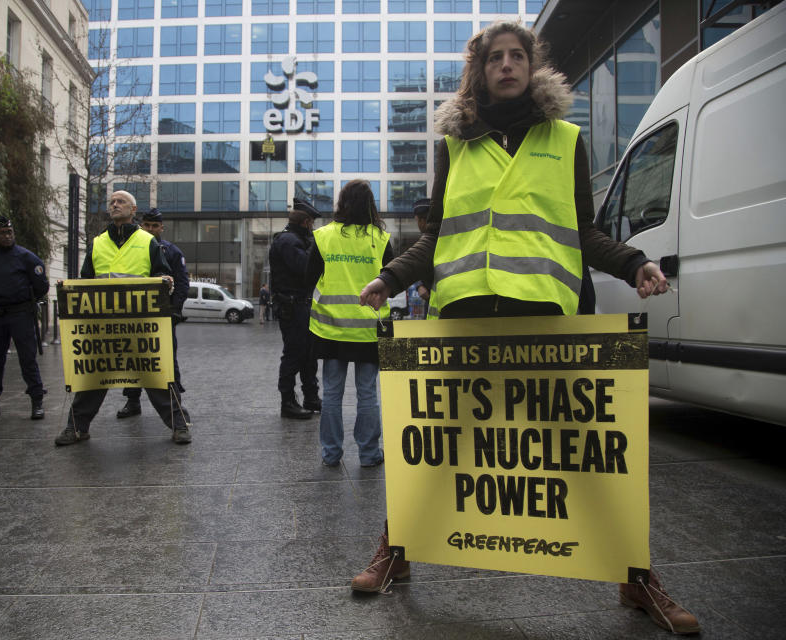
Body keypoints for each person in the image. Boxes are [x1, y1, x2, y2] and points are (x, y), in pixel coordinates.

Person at [353, 22, 700, 635]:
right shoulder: (453, 146)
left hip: (546, 317)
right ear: (479, 70)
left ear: (532, 66)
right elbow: (438, 237)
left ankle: (635, 576)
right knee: (437, 449)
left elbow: (582, 231)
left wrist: (633, 261)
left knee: (590, 453)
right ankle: (396, 551)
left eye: (517, 56)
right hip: (462, 316)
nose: (507, 65)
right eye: (495, 58)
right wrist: (394, 277)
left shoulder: (565, 138)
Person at [54, 191, 188, 446]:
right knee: (92, 377)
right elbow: (86, 280)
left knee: (157, 374)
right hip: (103, 325)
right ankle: (76, 427)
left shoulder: (148, 241)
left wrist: (166, 282)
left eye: (121, 202)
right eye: (112, 202)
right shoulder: (97, 243)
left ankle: (179, 424)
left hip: (141, 325)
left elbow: (162, 274)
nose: (115, 205)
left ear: (133, 209)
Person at [306, 180, 393, 467]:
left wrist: (324, 295)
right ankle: (369, 454)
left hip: (331, 328)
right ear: (370, 204)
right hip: (370, 328)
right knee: (368, 393)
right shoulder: (381, 239)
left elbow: (309, 280)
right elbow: (393, 281)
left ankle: (331, 454)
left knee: (331, 393)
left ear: (342, 203)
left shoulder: (323, 236)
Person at [114, 207, 193, 444]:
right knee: (132, 358)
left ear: (161, 228)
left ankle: (175, 403)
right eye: (146, 225)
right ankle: (133, 400)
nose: (150, 229)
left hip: (161, 316)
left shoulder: (171, 251)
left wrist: (175, 310)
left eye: (154, 226)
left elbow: (181, 282)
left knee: (167, 359)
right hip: (135, 316)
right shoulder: (133, 249)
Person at [0, 217, 48, 421]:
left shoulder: (26, 257)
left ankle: (37, 400)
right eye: (2, 233)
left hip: (20, 315)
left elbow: (41, 285)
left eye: (10, 232)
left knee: (28, 359)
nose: (7, 236)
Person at [268, 198, 321, 419]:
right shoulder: (289, 241)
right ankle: (287, 402)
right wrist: (316, 247)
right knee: (294, 354)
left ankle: (311, 397)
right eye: (312, 224)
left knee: (309, 354)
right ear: (306, 222)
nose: (314, 228)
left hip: (301, 305)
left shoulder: (296, 239)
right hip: (292, 306)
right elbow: (306, 269)